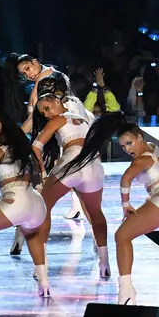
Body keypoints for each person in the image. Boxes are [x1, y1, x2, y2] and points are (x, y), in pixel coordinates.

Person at [59, 113, 159, 305]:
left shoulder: (140, 160)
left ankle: (126, 291)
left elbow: (125, 179)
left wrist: (126, 205)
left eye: (130, 143)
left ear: (139, 137)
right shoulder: (154, 149)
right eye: (123, 146)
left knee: (122, 236)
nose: (127, 149)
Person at [29, 92, 109, 296]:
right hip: (93, 165)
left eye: (47, 107)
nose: (47, 114)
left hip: (72, 161)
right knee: (95, 212)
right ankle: (105, 262)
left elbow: (36, 146)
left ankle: (41, 266)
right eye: (43, 112)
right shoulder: (85, 118)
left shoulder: (59, 119)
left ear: (57, 101)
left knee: (42, 208)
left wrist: (44, 172)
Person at [0, 104, 46, 297]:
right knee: (31, 235)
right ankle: (44, 283)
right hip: (36, 202)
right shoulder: (19, 146)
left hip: (15, 201)